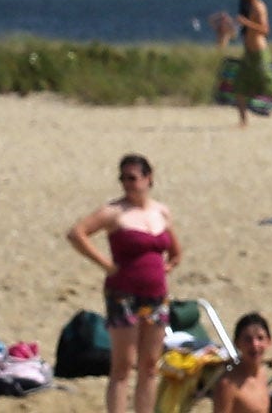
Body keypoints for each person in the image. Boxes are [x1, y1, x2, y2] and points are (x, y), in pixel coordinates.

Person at [67, 153, 180, 413]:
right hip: (123, 294)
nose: (128, 184)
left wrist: (167, 267)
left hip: (155, 294)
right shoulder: (114, 212)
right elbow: (77, 234)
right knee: (123, 365)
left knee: (150, 365)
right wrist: (106, 264)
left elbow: (175, 251)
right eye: (123, 179)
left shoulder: (161, 211)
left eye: (133, 178)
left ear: (148, 178)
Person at [214, 0, 272, 129]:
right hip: (248, 53)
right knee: (239, 85)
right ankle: (243, 121)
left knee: (269, 86)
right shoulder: (246, 5)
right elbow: (238, 31)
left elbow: (265, 29)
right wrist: (227, 27)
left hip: (259, 53)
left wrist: (247, 23)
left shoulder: (259, 6)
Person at [209, 314, 272, 413]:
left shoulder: (262, 374)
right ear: (237, 343)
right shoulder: (228, 385)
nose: (254, 345)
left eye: (260, 338)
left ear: (269, 342)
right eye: (248, 339)